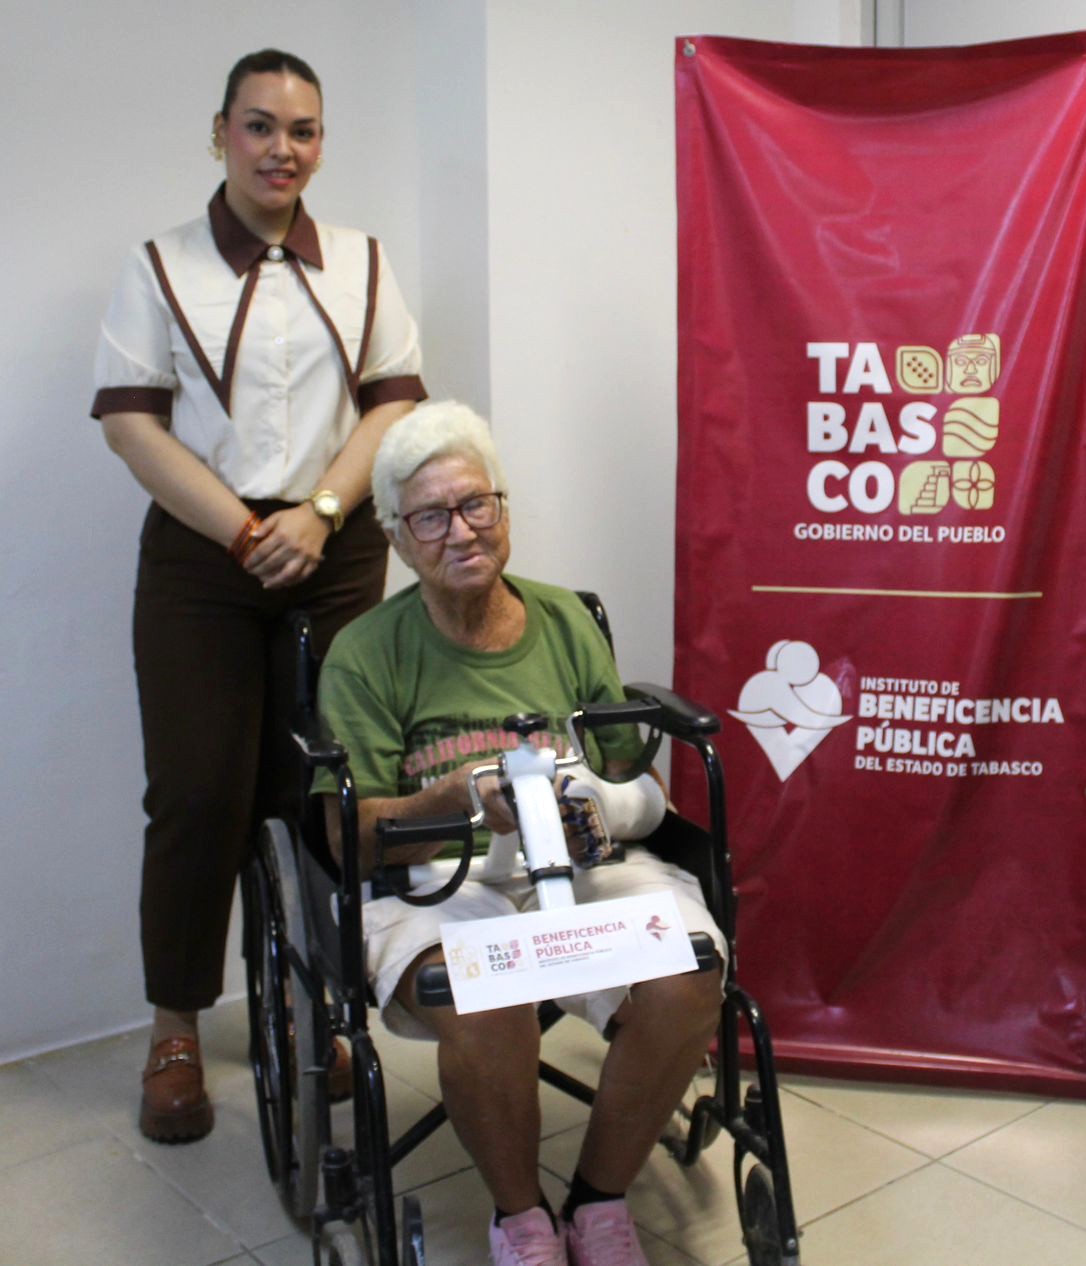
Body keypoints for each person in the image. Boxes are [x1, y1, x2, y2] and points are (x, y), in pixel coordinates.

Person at [92, 49, 426, 1143]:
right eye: (260, 126)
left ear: (321, 143)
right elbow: (131, 424)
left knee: (317, 793)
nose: (283, 149)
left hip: (337, 546)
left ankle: (304, 1003)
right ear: (221, 133)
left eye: (303, 130)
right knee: (198, 795)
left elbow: (391, 406)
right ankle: (176, 1031)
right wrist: (243, 530)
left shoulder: (364, 262)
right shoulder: (160, 265)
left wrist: (320, 514)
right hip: (204, 555)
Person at [314, 401, 725, 1266]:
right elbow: (353, 840)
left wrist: (595, 806)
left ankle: (599, 1203)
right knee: (485, 990)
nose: (462, 531)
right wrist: (458, 797)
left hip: (579, 861)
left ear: (504, 509)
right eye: (431, 517)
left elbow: (630, 780)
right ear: (396, 538)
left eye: (476, 504)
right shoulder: (365, 652)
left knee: (687, 977)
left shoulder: (566, 620)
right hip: (438, 881)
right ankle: (522, 1221)